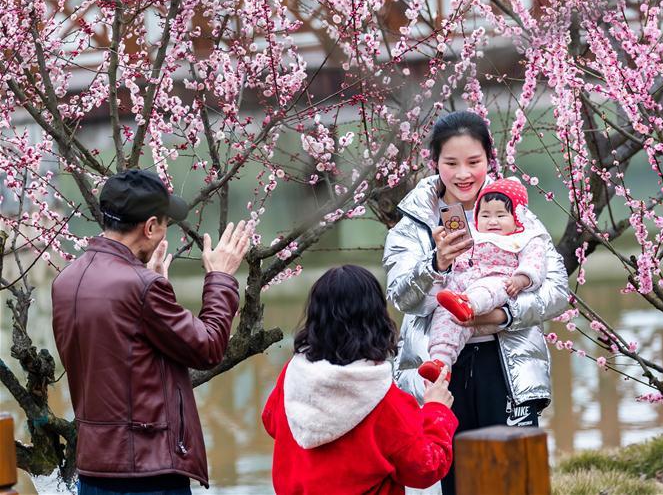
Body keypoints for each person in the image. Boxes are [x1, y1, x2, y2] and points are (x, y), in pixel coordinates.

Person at [383, 111, 570, 495]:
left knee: (517, 479)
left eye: (474, 162)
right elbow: (402, 298)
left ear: (490, 160)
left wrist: (502, 315)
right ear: (434, 163)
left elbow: (557, 291)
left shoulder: (517, 216)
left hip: (507, 365)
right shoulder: (413, 225)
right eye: (451, 163)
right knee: (459, 481)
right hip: (442, 368)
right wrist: (435, 264)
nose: (464, 174)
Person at [51, 169, 252, 494]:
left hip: (93, 470)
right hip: (146, 472)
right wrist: (221, 277)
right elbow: (209, 348)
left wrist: (153, 287)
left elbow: (124, 356)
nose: (163, 236)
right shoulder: (140, 286)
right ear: (149, 227)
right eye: (164, 225)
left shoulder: (66, 280)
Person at [261, 265, 457, 495]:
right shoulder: (385, 400)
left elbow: (270, 421)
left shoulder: (293, 376)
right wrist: (436, 410)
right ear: (377, 319)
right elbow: (425, 468)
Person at [418, 177, 550, 382]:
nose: (492, 221)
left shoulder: (527, 237)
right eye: (485, 214)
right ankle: (440, 363)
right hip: (463, 283)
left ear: (517, 217)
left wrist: (521, 279)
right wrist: (444, 253)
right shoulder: (473, 235)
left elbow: (535, 264)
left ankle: (468, 304)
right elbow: (458, 262)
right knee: (444, 315)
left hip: (500, 278)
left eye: (501, 215)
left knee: (487, 288)